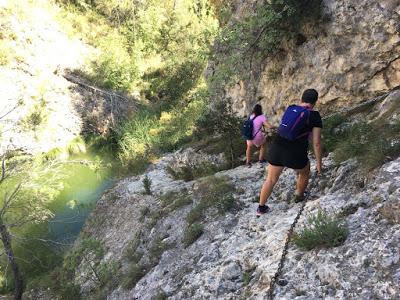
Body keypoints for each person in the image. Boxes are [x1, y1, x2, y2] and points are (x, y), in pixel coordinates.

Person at [256, 89, 323, 216]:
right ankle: (299, 195)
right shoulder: (314, 116)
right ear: (314, 102)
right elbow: (317, 143)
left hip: (277, 146)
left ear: (301, 99)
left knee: (270, 179)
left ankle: (261, 208)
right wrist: (319, 165)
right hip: (295, 152)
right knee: (304, 171)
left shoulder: (291, 108)